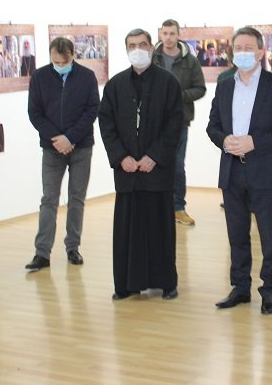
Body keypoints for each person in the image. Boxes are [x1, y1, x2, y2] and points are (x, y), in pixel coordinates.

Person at [207, 27, 272, 316]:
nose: (243, 53)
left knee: (269, 236)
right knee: (236, 234)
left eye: (249, 48)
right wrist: (224, 140)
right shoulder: (224, 86)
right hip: (232, 171)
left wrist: (254, 142)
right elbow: (212, 126)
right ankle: (240, 287)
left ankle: (269, 289)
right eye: (238, 48)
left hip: (266, 173)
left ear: (261, 52)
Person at [99, 29, 183, 300]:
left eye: (143, 44)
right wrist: (121, 157)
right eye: (132, 45)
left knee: (160, 229)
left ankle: (166, 283)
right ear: (126, 50)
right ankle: (126, 285)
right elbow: (106, 124)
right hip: (128, 171)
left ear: (151, 47)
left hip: (156, 170)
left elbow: (175, 124)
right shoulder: (115, 85)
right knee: (128, 231)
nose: (138, 49)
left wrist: (154, 156)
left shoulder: (168, 82)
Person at [25, 37, 100, 271]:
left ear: (72, 56)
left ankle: (72, 247)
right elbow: (35, 113)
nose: (59, 65)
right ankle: (42, 253)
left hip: (81, 146)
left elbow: (92, 110)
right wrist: (57, 139)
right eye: (55, 62)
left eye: (63, 62)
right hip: (52, 148)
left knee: (76, 199)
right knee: (49, 199)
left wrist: (71, 138)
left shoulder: (87, 77)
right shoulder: (39, 77)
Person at [152, 18, 207, 226]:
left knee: (177, 165)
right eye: (165, 33)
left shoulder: (190, 61)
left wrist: (177, 96)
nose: (168, 37)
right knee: (153, 163)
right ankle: (158, 208)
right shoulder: (151, 58)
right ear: (160, 34)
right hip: (153, 122)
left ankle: (178, 208)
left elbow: (200, 88)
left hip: (179, 121)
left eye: (172, 33)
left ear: (178, 35)